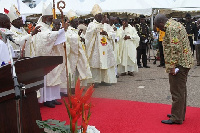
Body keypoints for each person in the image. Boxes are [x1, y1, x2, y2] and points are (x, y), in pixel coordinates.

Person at [154, 14, 193, 124]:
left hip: (179, 64)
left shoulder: (171, 28)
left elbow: (174, 48)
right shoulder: (176, 24)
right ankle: (179, 113)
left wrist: (172, 66)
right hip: (184, 62)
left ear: (161, 23)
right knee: (181, 90)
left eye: (158, 26)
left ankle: (176, 117)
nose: (159, 29)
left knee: (176, 91)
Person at [32, 2, 67, 108]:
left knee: (54, 76)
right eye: (50, 18)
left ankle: (53, 97)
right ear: (44, 17)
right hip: (45, 57)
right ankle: (47, 99)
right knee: (47, 78)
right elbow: (45, 38)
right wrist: (60, 32)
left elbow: (51, 35)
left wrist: (59, 33)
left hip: (52, 55)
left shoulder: (47, 26)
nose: (52, 20)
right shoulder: (40, 27)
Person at [85, 4, 117, 87]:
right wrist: (98, 29)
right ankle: (95, 81)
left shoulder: (106, 25)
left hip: (106, 47)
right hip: (96, 48)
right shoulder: (91, 25)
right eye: (99, 16)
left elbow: (113, 33)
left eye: (101, 16)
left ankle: (105, 79)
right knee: (96, 64)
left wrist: (106, 33)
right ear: (95, 16)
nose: (100, 17)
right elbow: (88, 35)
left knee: (106, 62)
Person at [65, 10, 92, 90]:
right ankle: (72, 87)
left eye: (77, 22)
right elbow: (70, 41)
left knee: (80, 70)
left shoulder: (77, 30)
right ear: (71, 22)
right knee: (72, 71)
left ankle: (79, 86)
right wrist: (78, 37)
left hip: (80, 54)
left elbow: (85, 40)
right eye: (75, 22)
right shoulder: (68, 31)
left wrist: (83, 40)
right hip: (72, 54)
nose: (77, 23)